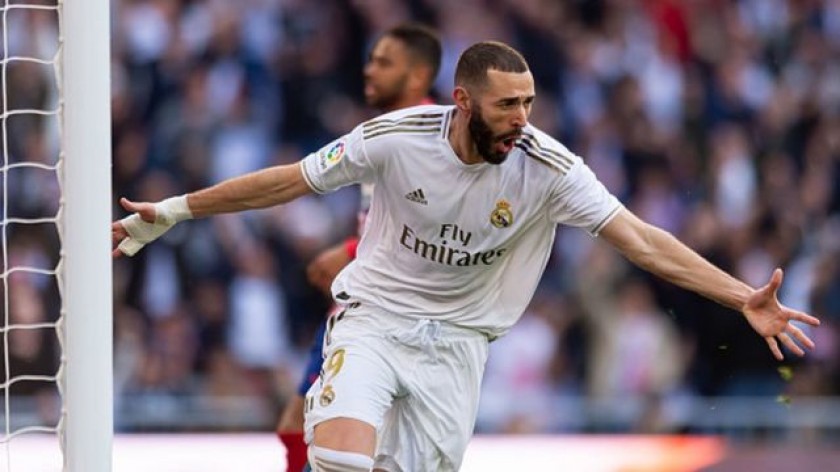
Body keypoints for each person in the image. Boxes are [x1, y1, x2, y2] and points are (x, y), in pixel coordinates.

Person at [112, 41, 820, 472]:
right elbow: (287, 181)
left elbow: (641, 240)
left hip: (458, 348)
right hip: (375, 318)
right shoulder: (394, 137)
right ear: (463, 100)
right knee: (340, 457)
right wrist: (175, 209)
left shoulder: (550, 168)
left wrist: (740, 296)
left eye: (530, 102)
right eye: (508, 104)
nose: (522, 118)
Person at [276, 23, 441, 472]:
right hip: (353, 299)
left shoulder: (431, 139)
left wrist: (346, 251)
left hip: (392, 315)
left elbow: (425, 226)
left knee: (337, 440)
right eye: (370, 59)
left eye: (384, 63)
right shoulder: (381, 131)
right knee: (294, 424)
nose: (369, 71)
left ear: (417, 76)